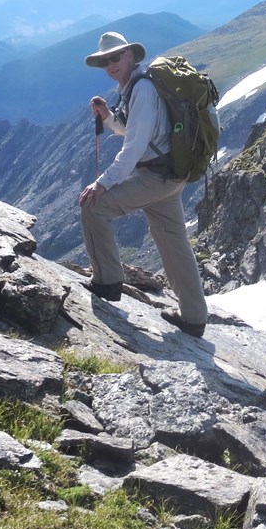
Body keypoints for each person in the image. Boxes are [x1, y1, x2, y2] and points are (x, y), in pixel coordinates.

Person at [78, 31, 210, 337]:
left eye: (115, 57)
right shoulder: (137, 86)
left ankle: (107, 282)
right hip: (169, 174)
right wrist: (109, 117)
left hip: (155, 176)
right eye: (104, 61)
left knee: (94, 207)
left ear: (130, 56)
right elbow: (137, 131)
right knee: (173, 240)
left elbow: (135, 146)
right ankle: (193, 317)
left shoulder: (143, 89)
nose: (109, 64)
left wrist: (102, 183)